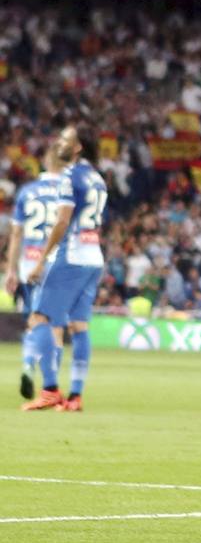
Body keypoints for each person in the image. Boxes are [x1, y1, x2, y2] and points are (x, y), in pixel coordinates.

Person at [23, 126, 108, 412]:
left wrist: (41, 260)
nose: (60, 142)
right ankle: (75, 396)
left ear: (78, 146)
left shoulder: (70, 176)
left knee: (39, 318)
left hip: (71, 256)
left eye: (65, 138)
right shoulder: (98, 179)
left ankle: (49, 389)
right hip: (93, 256)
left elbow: (62, 222)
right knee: (79, 326)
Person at [3, 146, 73, 400]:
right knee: (55, 326)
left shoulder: (27, 192)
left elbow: (17, 235)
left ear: (44, 163)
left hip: (28, 264)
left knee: (34, 320)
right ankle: (51, 385)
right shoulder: (68, 192)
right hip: (57, 265)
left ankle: (28, 365)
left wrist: (11, 270)